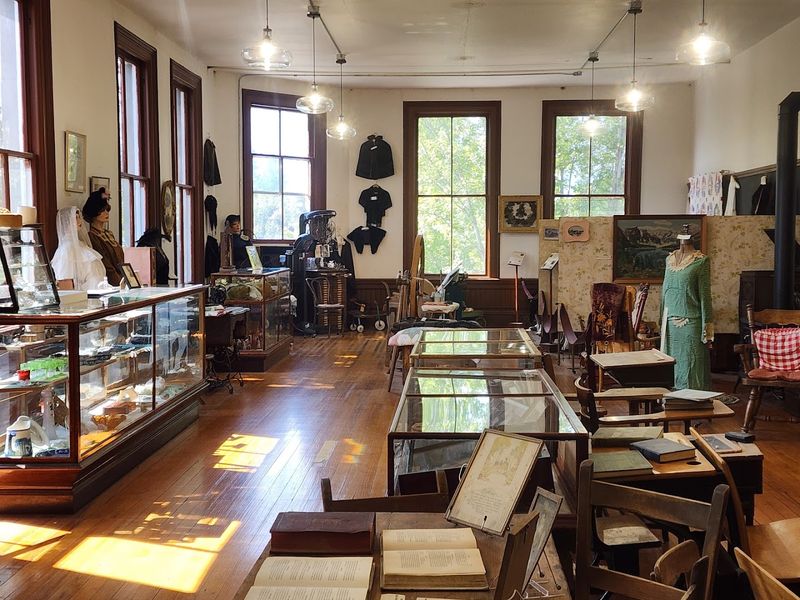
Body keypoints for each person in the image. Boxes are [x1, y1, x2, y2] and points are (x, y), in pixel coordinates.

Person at [660, 225, 713, 390]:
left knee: (692, 363)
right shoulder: (669, 260)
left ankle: (695, 401)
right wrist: (660, 319)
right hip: (669, 322)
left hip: (691, 321)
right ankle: (672, 401)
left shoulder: (701, 261)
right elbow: (665, 291)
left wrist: (708, 329)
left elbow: (705, 295)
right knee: (671, 363)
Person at [51, 207, 106, 290]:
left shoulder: (82, 245)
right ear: (66, 222)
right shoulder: (65, 249)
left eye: (79, 217)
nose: (79, 221)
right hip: (85, 298)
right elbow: (65, 284)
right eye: (75, 218)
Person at [83, 188, 124, 285]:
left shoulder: (109, 234)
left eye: (107, 209)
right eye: (102, 210)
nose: (106, 213)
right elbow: (106, 264)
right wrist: (119, 284)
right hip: (109, 283)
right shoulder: (92, 236)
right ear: (94, 213)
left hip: (121, 279)